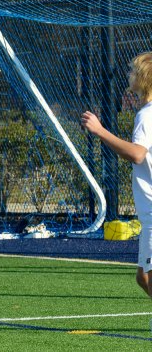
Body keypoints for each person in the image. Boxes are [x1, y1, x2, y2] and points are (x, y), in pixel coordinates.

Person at [81, 52, 152, 313]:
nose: (128, 75)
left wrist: (100, 131)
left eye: (133, 71)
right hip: (148, 216)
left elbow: (137, 153)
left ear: (143, 79)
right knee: (142, 278)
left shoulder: (146, 116)